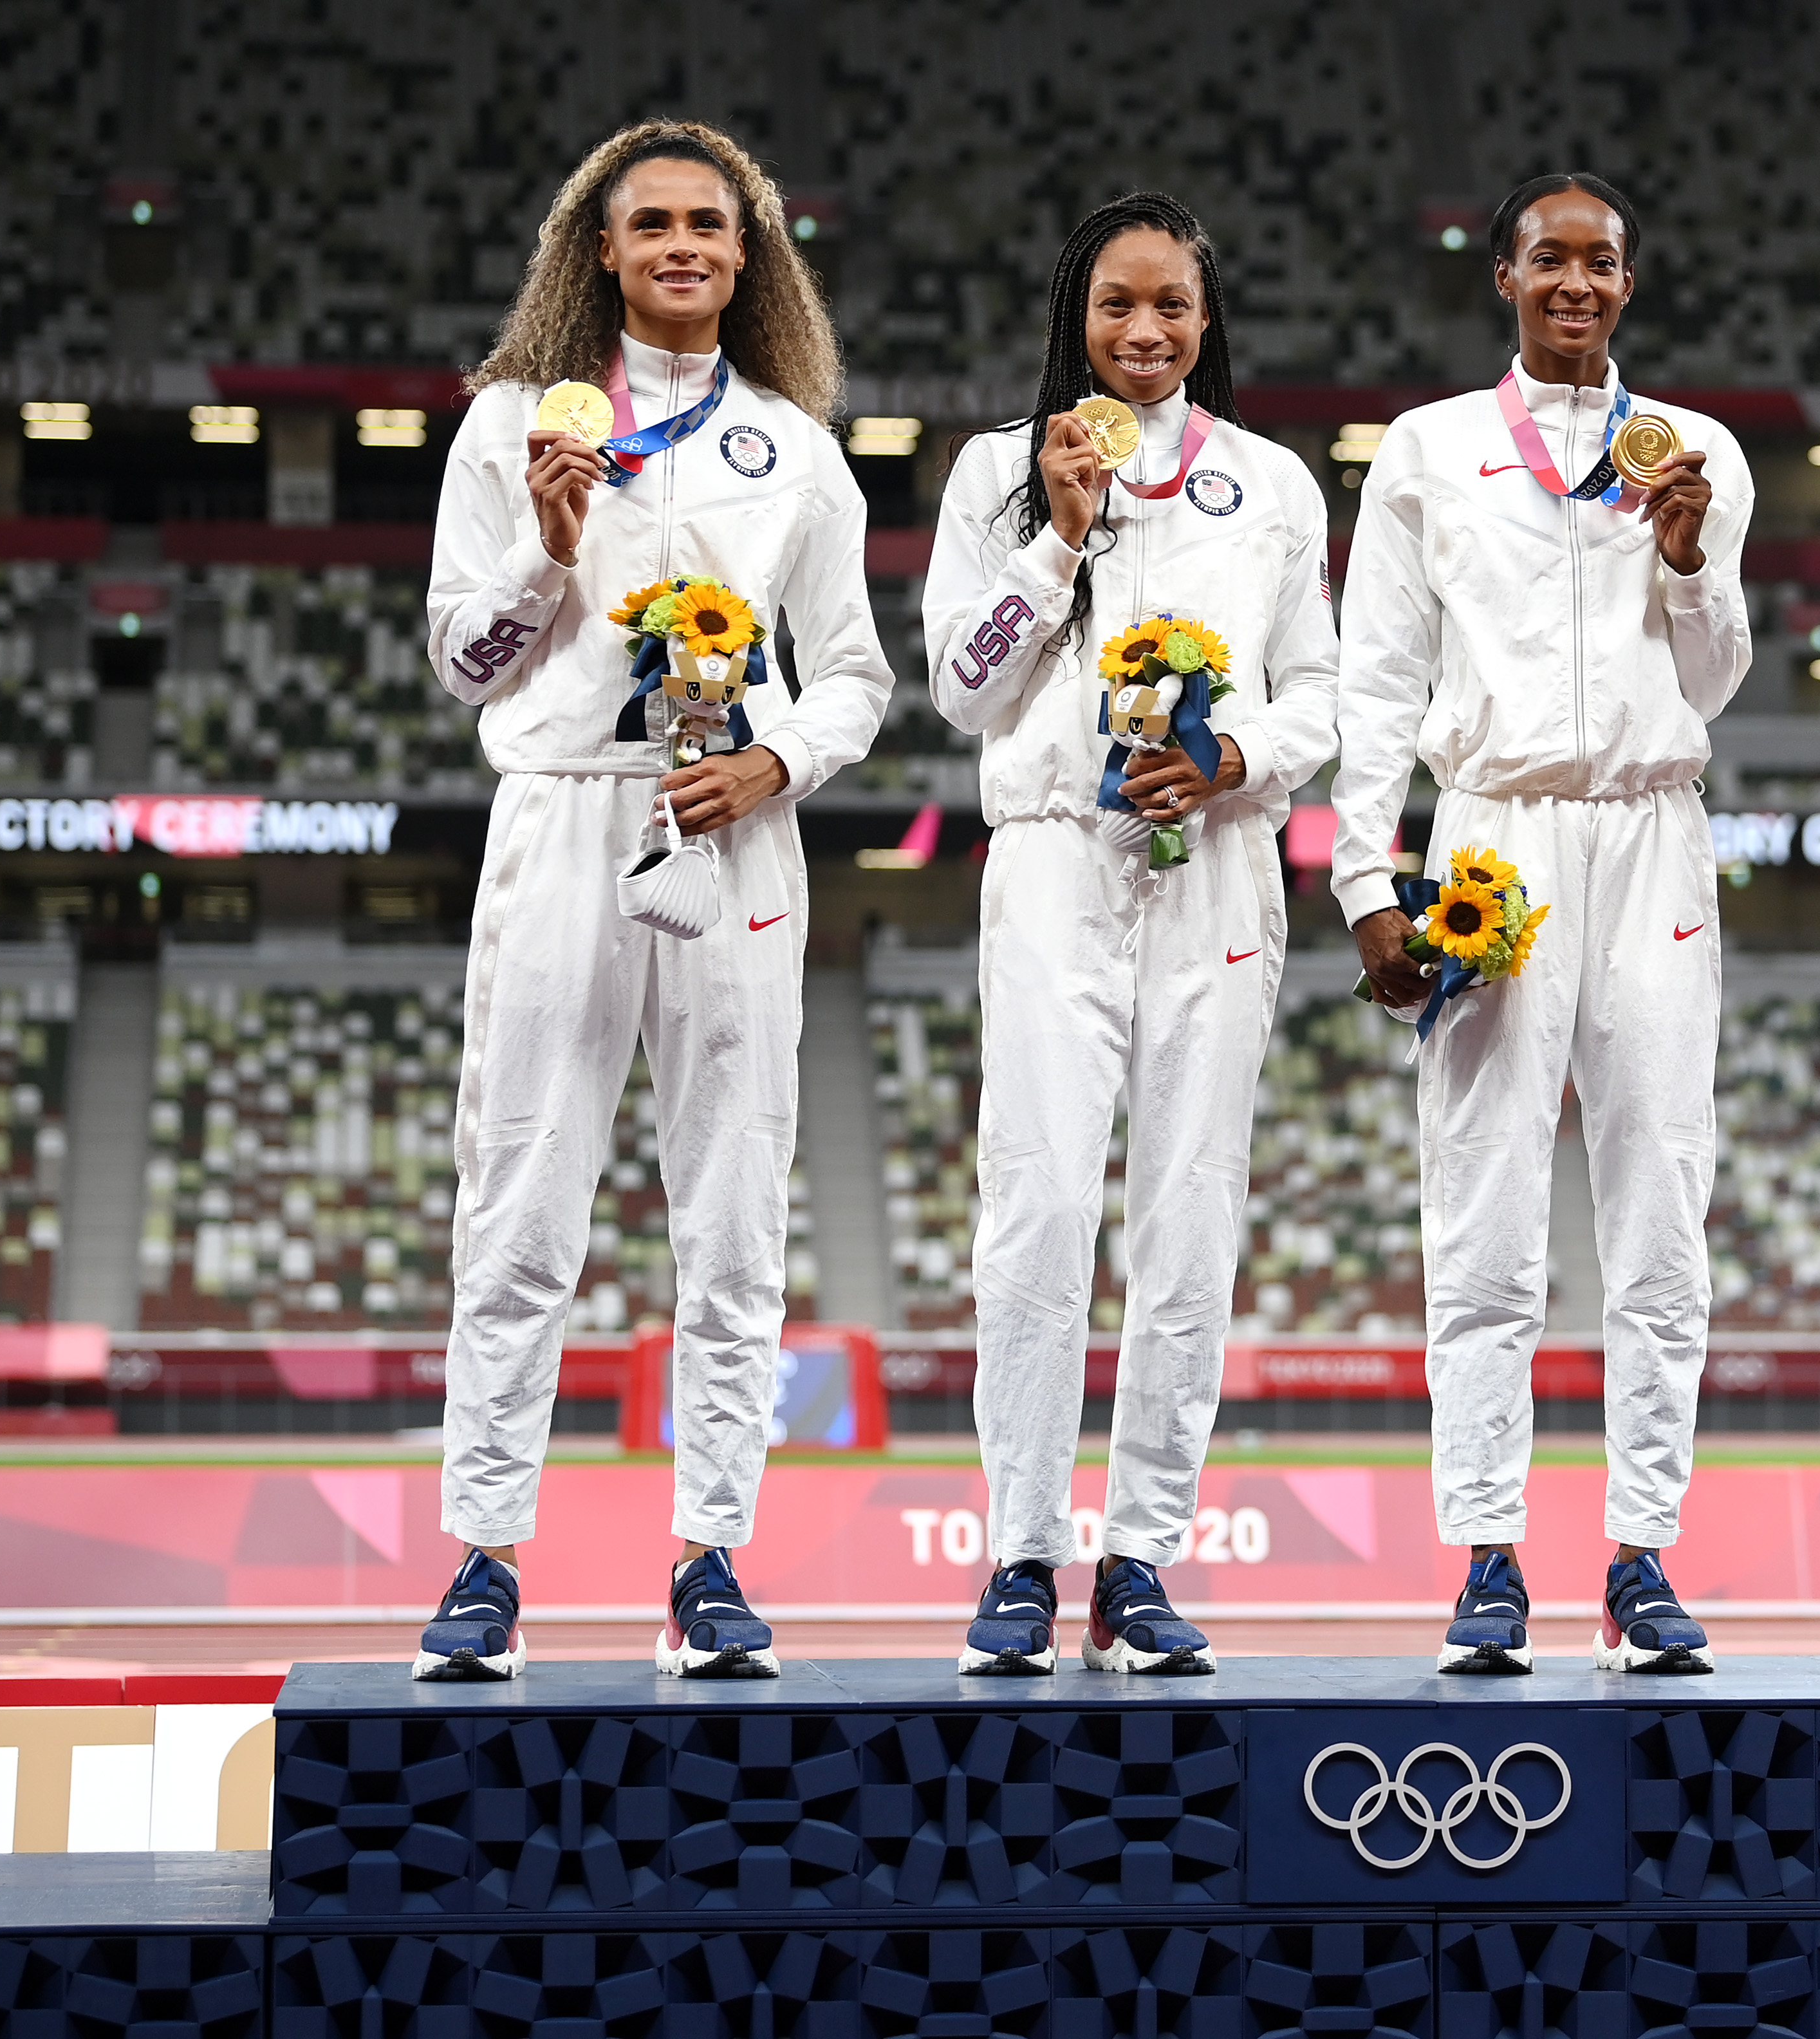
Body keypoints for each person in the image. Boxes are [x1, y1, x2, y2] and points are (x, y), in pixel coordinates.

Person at [416, 120, 894, 1679]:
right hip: (564, 817)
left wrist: (775, 764)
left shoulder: (798, 451)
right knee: (523, 1191)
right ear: (601, 252)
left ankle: (710, 1558)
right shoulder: (510, 427)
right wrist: (542, 556)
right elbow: (459, 661)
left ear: (748, 256)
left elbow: (856, 680)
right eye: (653, 225)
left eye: (711, 223)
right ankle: (484, 1562)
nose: (684, 245)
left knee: (736, 1209)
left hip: (731, 830)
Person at [1333, 171, 1753, 1675]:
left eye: (1604, 263)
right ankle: (1490, 1561)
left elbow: (1712, 681)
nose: (1577, 284)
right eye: (1550, 260)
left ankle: (1643, 1556)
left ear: (1628, 286)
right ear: (1504, 275)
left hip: (1653, 832)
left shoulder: (1696, 453)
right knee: (1486, 1211)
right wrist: (1367, 882)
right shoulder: (1434, 454)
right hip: (1494, 841)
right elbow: (1375, 678)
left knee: (1661, 1209)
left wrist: (1693, 560)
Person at [926, 193, 1339, 1675]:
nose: (1145, 333)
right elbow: (964, 692)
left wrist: (1233, 764)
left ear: (1206, 319)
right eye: (1116, 306)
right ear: (1073, 315)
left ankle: (1144, 1558)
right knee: (1035, 1214)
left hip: (1218, 867)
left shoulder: (1276, 486)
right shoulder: (998, 475)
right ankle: (1024, 1556)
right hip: (1053, 862)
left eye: (1171, 306)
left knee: (1187, 1221)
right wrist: (1061, 544)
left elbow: (1322, 698)